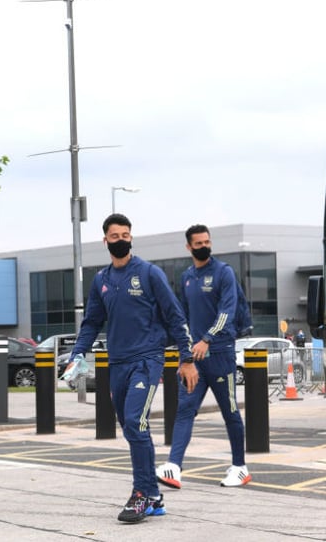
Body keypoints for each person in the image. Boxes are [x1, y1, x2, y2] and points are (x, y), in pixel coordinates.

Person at [68, 213, 195, 523]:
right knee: (131, 428)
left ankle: (141, 494)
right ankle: (153, 496)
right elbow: (92, 322)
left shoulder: (150, 274)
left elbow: (175, 316)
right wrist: (77, 354)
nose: (122, 240)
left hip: (147, 360)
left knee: (135, 422)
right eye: (116, 236)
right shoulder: (101, 280)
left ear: (131, 237)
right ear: (105, 241)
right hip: (117, 363)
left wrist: (186, 357)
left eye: (126, 235)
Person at [156, 224, 251, 491]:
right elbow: (182, 319)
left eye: (207, 241)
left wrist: (207, 338)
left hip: (220, 353)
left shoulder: (224, 273)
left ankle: (240, 468)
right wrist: (184, 354)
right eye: (198, 243)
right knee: (185, 410)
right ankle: (174, 466)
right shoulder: (187, 277)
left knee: (230, 411)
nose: (204, 246)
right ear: (189, 247)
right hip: (195, 359)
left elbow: (227, 311)